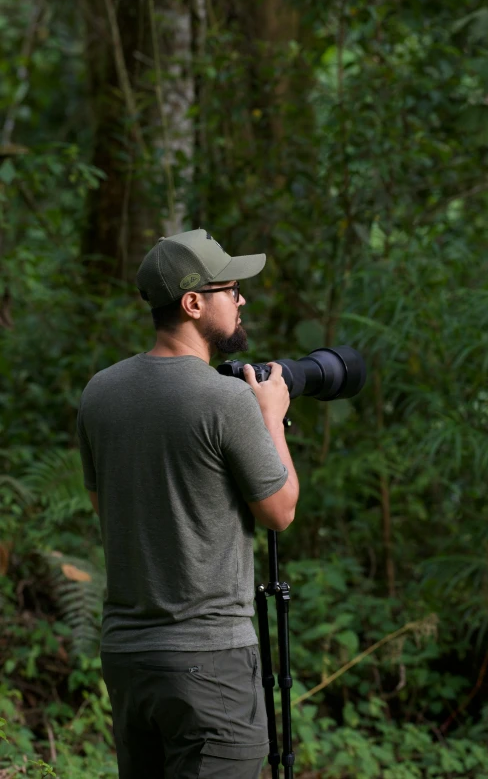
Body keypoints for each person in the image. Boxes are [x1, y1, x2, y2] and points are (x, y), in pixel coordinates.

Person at [77, 228, 300, 779]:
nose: (242, 299)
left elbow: (106, 509)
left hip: (127, 658)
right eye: (231, 289)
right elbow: (279, 511)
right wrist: (270, 414)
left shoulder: (99, 393)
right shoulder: (225, 399)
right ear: (194, 302)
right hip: (211, 660)